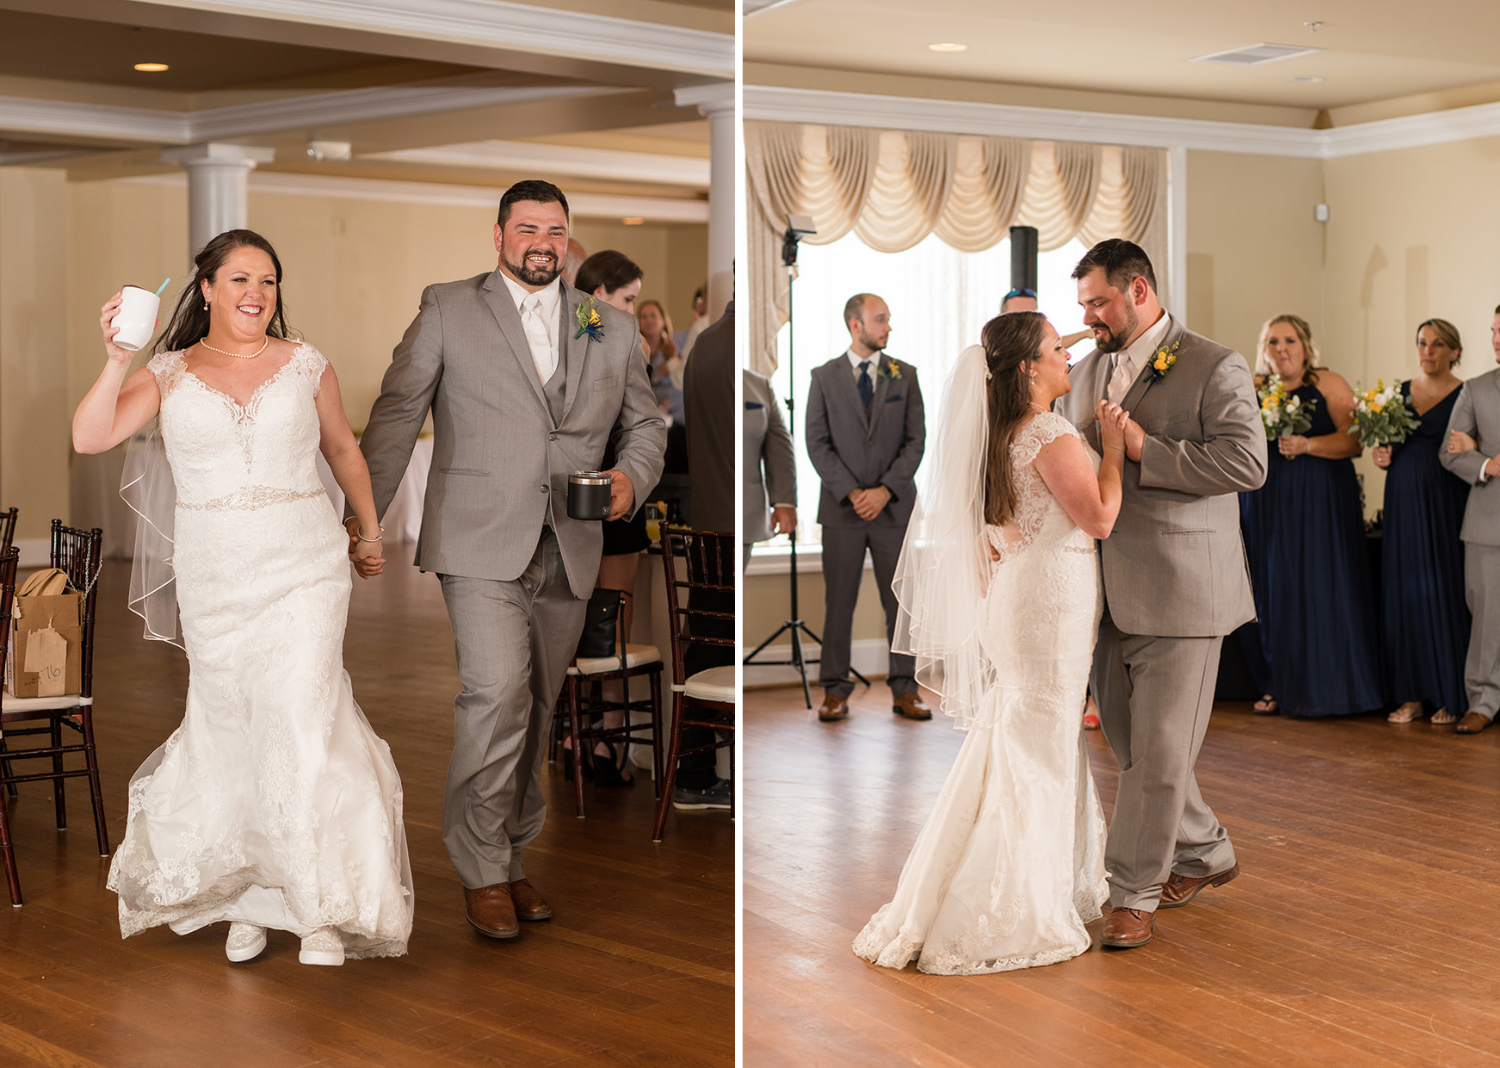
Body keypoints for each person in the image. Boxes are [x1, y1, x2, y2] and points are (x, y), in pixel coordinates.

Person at [77, 229, 413, 967]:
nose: (255, 293)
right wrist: (114, 360)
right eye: (238, 280)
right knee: (230, 728)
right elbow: (92, 435)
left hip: (305, 566)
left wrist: (368, 530)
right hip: (214, 578)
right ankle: (248, 897)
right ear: (206, 290)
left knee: (299, 719)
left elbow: (343, 451)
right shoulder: (167, 373)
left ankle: (318, 907)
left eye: (267, 280)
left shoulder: (306, 364)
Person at [356, 180, 665, 939]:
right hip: (477, 538)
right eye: (527, 229)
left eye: (555, 232)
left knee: (538, 711)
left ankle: (512, 852)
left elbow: (646, 424)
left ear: (568, 241)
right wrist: (358, 519)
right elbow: (396, 416)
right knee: (496, 696)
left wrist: (632, 477)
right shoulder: (448, 307)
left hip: (572, 538)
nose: (542, 243)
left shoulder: (606, 324)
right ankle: (480, 868)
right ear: (498, 236)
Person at [854, 312, 1129, 974]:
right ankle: (1016, 898)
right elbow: (1098, 517)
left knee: (1023, 733)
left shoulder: (999, 435)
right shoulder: (1048, 431)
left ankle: (1040, 879)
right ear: (1030, 367)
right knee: (1041, 739)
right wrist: (1114, 449)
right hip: (1050, 601)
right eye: (1057, 348)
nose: (1069, 355)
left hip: (1019, 596)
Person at [1055, 239, 1267, 949]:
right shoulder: (1084, 373)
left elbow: (1247, 462)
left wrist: (1147, 449)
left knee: (1162, 749)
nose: (1088, 317)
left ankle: (1132, 894)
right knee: (1135, 748)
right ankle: (1206, 850)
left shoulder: (1215, 364)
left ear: (1138, 289)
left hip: (1185, 589)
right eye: (1083, 304)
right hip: (1105, 591)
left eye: (1098, 302)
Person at [1237, 313, 1382, 720]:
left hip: (1320, 501)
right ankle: (1274, 683)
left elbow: (1354, 441)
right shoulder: (1253, 387)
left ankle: (1329, 684)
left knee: (1322, 583)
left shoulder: (1327, 383)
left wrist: (1307, 445)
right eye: (1272, 342)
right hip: (1265, 502)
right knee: (1269, 587)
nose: (1281, 350)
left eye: (1289, 341)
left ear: (1305, 346)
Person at [806, 293, 929, 723]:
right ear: (855, 325)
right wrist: (852, 492)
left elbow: (917, 440)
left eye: (889, 320)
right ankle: (835, 690)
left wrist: (883, 491)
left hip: (893, 511)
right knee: (839, 603)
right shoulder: (823, 377)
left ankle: (905, 688)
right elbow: (816, 443)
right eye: (880, 320)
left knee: (900, 603)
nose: (888, 327)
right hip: (842, 512)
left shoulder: (905, 375)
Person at [1373, 320, 1471, 725]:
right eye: (1421, 343)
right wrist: (1382, 455)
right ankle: (1411, 695)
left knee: (1444, 590)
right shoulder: (1398, 394)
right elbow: (1389, 446)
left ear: (1454, 352)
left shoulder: (1468, 393)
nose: (1427, 351)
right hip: (1402, 503)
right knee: (1404, 590)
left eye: (1437, 344)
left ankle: (1449, 693)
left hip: (1447, 502)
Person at [676, 298, 737, 811]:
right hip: (724, 528)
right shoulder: (731, 346)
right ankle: (696, 775)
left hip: (710, 522)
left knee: (706, 647)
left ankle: (698, 771)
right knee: (713, 651)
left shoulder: (704, 343)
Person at [1440, 305, 1500, 735]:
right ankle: (1482, 701)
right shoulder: (1476, 390)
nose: (1496, 339)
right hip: (1487, 524)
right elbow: (1450, 451)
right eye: (1495, 331)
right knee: (1487, 621)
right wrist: (1487, 464)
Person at [743, 368, 797, 569]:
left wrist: (784, 501)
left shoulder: (760, 385)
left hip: (746, 513)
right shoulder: (699, 374)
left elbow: (779, 446)